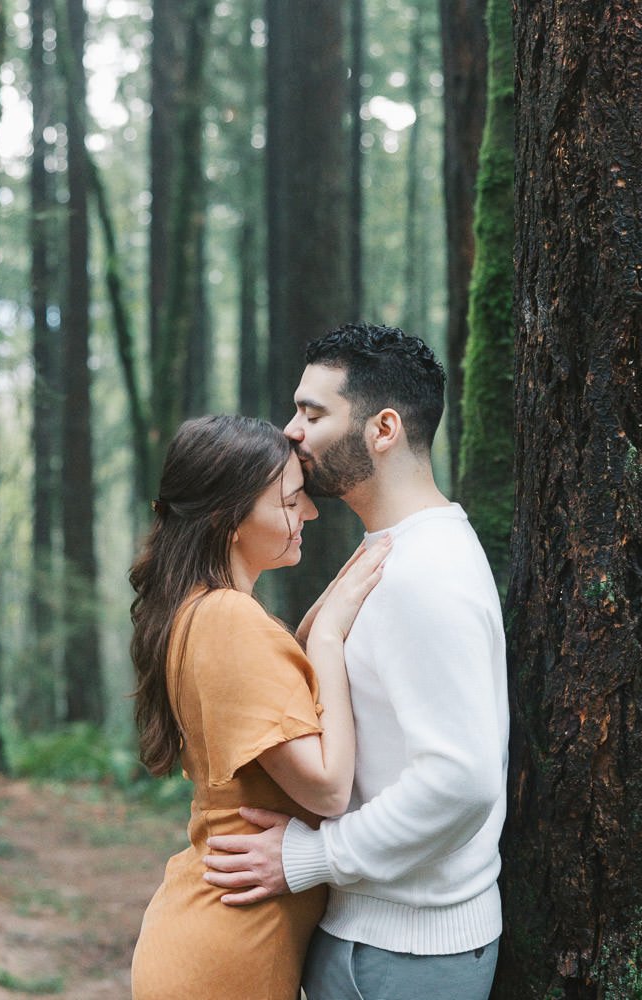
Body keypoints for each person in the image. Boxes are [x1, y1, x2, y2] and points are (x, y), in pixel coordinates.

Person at [202, 324, 508, 999]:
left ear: (384, 428)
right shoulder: (395, 550)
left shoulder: (424, 572)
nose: (290, 431)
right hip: (382, 941)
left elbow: (462, 779)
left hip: (405, 955)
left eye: (313, 412)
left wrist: (311, 858)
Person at [129, 414, 391, 1000]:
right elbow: (327, 789)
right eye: (291, 501)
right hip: (227, 950)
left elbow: (278, 695)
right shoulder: (227, 618)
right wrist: (326, 640)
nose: (311, 514)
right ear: (230, 522)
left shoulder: (199, 610)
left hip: (218, 932)